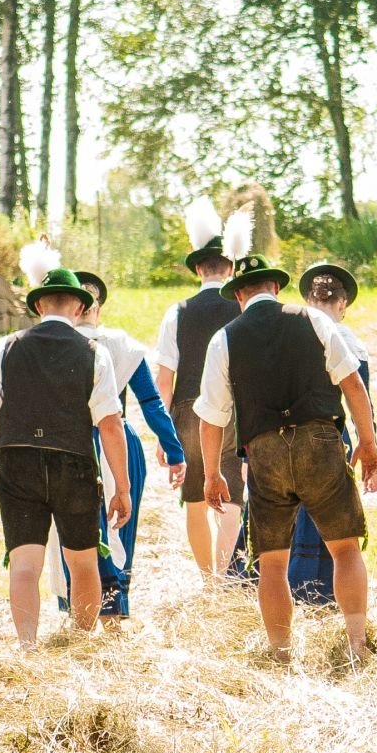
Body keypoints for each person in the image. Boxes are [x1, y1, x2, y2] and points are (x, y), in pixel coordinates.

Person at [194, 254, 377, 662]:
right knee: (345, 550)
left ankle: (280, 652)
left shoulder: (224, 338)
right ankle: (356, 645)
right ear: (275, 287)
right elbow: (351, 384)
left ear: (239, 294)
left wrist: (211, 475)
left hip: (264, 452)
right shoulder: (315, 321)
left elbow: (211, 419)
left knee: (273, 563)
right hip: (319, 442)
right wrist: (368, 443)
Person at [0, 250, 131, 650]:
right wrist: (122, 487)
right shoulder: (95, 353)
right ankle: (80, 640)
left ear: (39, 305)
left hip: (16, 460)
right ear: (79, 306)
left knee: (24, 563)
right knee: (83, 560)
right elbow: (110, 424)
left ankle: (27, 646)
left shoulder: (6, 347)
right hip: (72, 463)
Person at [52, 271, 187, 621]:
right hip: (118, 443)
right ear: (97, 306)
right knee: (120, 526)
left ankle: (78, 611)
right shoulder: (122, 344)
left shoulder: (51, 342)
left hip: (68, 442)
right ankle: (115, 610)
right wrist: (174, 451)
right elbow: (152, 402)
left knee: (71, 531)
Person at [152, 199, 245, 578]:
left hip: (189, 412)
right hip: (234, 412)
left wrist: (163, 436)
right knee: (232, 495)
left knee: (193, 498)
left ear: (198, 270)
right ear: (231, 268)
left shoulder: (178, 311)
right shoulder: (243, 307)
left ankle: (207, 578)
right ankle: (224, 575)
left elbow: (164, 379)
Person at [286, 261, 369, 607]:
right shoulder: (352, 342)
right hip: (334, 436)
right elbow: (363, 399)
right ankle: (328, 593)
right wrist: (369, 443)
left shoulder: (288, 336)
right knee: (337, 519)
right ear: (343, 304)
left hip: (285, 437)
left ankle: (292, 590)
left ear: (307, 298)